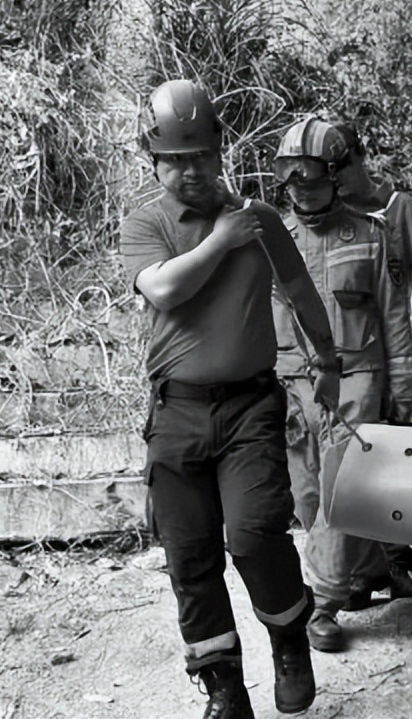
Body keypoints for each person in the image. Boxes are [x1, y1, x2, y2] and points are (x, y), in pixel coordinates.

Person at [119, 80, 337, 718]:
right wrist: (222, 237)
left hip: (249, 406)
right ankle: (223, 687)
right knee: (189, 554)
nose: (189, 171)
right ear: (153, 162)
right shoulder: (146, 223)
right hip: (177, 411)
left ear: (219, 151)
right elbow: (164, 290)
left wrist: (328, 359)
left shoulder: (262, 220)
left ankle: (289, 638)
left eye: (200, 156)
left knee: (254, 534)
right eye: (174, 160)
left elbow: (300, 291)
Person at [270, 118, 412, 653]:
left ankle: (321, 601)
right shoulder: (271, 240)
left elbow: (394, 317)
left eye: (311, 178)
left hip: (357, 380)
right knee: (307, 494)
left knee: (341, 489)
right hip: (293, 386)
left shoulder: (373, 236)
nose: (301, 189)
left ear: (336, 175)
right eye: (292, 179)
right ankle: (372, 566)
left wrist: (404, 387)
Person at [330, 120, 412, 605]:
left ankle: (393, 560)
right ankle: (362, 568)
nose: (334, 178)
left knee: (390, 455)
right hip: (349, 359)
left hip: (395, 348)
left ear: (360, 156)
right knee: (352, 463)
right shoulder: (325, 214)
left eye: (340, 166)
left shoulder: (397, 207)